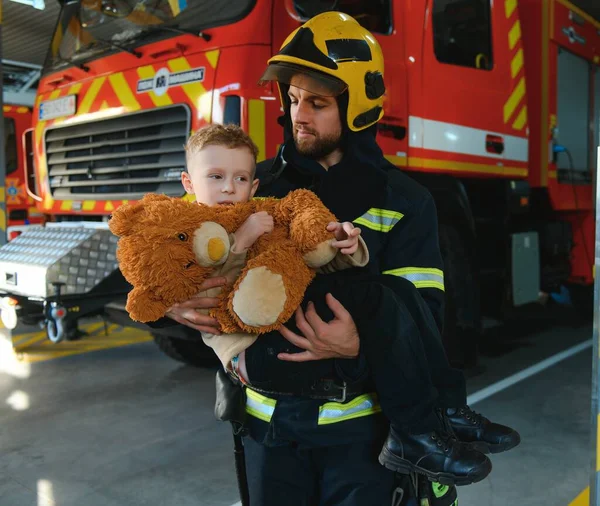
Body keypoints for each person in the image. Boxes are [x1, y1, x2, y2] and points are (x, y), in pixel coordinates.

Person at [164, 11, 520, 505]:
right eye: (292, 100)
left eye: (318, 102)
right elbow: (166, 249)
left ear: (358, 105)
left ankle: (435, 421)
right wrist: (172, 306)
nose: (298, 115)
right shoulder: (250, 185)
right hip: (268, 433)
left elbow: (424, 320)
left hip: (362, 442)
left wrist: (357, 347)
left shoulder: (406, 200)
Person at [179, 122, 369, 374]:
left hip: (278, 327)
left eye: (240, 178)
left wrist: (345, 245)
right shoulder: (185, 230)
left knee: (377, 299)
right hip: (243, 350)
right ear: (188, 183)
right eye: (216, 176)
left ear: (254, 186)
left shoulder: (261, 214)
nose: (229, 187)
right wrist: (241, 242)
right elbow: (209, 293)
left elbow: (306, 259)